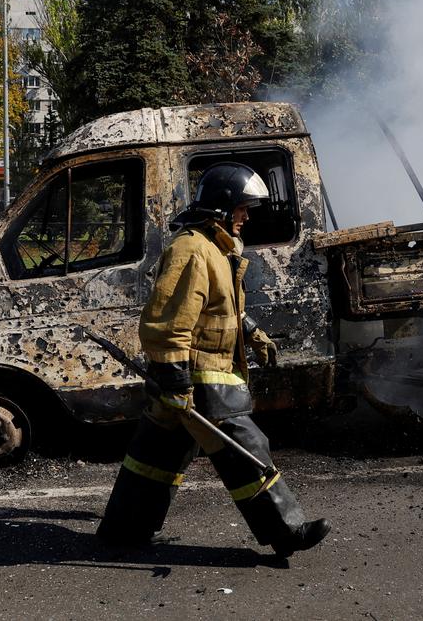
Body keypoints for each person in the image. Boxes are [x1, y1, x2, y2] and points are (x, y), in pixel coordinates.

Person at [97, 162, 331, 557]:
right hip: (199, 376)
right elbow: (169, 320)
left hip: (192, 377)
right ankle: (286, 531)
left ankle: (124, 529)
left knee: (155, 455)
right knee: (247, 447)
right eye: (242, 209)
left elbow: (224, 308)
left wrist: (253, 332)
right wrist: (175, 381)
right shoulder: (192, 250)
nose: (246, 217)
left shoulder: (215, 249)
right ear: (222, 208)